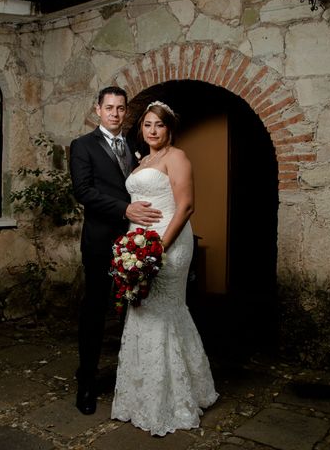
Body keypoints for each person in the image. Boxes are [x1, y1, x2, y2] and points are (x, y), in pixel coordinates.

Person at [111, 101, 218, 436]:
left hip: (168, 243)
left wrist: (159, 247)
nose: (152, 131)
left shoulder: (177, 157)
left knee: (164, 309)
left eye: (159, 125)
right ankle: (140, 397)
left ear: (169, 129)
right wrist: (135, 243)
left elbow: (185, 206)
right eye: (147, 125)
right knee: (140, 309)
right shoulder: (143, 160)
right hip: (137, 243)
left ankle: (173, 398)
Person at [69, 86, 162, 415]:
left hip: (136, 240)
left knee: (137, 309)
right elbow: (83, 191)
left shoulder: (137, 145)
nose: (115, 113)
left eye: (121, 108)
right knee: (95, 309)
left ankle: (134, 379)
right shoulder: (82, 146)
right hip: (100, 240)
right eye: (109, 107)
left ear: (126, 111)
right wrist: (125, 210)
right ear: (98, 110)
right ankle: (87, 382)